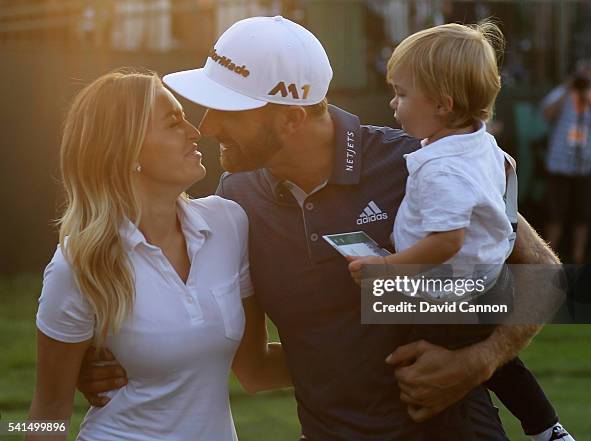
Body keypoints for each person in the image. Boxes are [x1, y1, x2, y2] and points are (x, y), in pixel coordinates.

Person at [79, 17, 561, 441]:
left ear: (290, 119)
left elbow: (549, 278)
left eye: (228, 110)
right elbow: (253, 370)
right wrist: (134, 362)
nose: (207, 126)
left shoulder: (419, 162)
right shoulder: (235, 201)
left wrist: (479, 360)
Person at [28, 69, 290, 441]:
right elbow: (46, 410)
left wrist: (366, 358)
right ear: (127, 148)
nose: (195, 131)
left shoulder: (228, 222)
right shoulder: (78, 263)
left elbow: (255, 368)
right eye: (173, 122)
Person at [347, 22, 574, 441]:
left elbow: (446, 241)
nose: (393, 104)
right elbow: (510, 168)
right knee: (506, 366)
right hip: (485, 285)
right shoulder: (480, 143)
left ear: (443, 106)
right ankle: (548, 429)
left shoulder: (442, 169)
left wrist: (387, 267)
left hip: (447, 293)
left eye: (402, 93)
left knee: (397, 350)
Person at [541, 59, 591, 263]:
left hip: (587, 167)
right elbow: (546, 113)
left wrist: (589, 98)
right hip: (560, 165)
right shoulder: (562, 94)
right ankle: (547, 261)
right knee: (555, 215)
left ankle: (577, 258)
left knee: (583, 216)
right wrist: (568, 88)